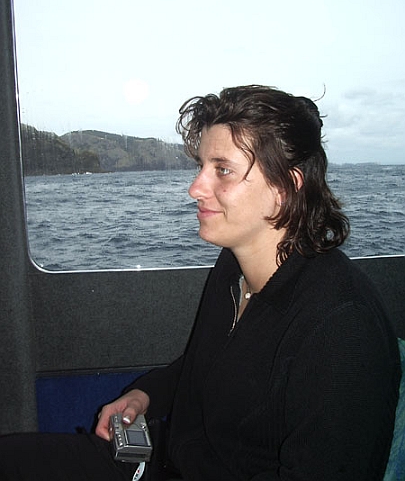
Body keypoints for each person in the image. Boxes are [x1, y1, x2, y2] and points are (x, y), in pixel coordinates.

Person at [0, 85, 401, 480]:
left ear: (286, 187)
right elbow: (205, 369)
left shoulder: (342, 327)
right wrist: (144, 395)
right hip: (158, 461)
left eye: (222, 170)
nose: (195, 188)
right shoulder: (233, 266)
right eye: (202, 166)